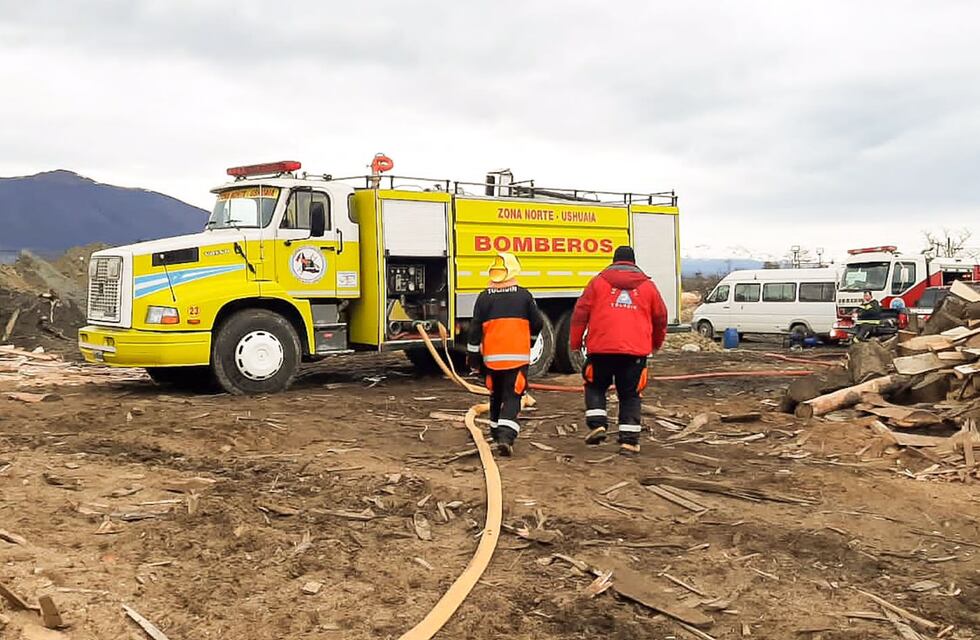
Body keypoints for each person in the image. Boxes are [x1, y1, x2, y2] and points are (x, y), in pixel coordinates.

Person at [569, 246, 668, 457]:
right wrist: (656, 344)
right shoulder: (648, 287)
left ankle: (597, 424)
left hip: (601, 349)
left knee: (595, 385)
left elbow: (580, 314)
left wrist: (575, 343)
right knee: (630, 394)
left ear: (614, 261)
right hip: (635, 352)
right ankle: (629, 442)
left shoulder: (597, 283)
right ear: (633, 262)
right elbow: (660, 319)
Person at [467, 252, 543, 456]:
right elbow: (538, 324)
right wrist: (531, 342)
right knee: (513, 396)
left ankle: (494, 430)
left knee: (496, 395)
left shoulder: (484, 297)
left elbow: (474, 330)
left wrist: (473, 358)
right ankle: (506, 436)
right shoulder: (524, 296)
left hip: (491, 362)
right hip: (517, 360)